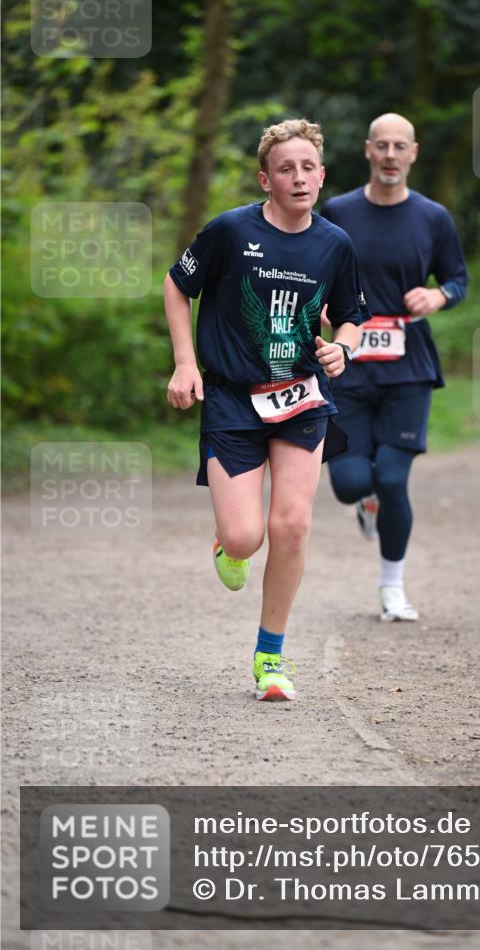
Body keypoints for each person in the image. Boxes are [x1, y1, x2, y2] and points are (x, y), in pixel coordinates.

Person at [164, 119, 367, 701]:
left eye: (308, 168)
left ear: (323, 176)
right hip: (231, 396)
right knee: (248, 535)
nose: (298, 178)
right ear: (266, 178)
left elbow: (351, 312)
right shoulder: (230, 230)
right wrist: (185, 363)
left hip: (301, 398)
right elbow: (178, 287)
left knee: (293, 525)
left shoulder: (335, 243)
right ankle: (229, 545)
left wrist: (343, 348)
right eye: (286, 169)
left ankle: (270, 658)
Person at [320, 112, 468, 622]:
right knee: (349, 482)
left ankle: (392, 587)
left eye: (398, 146)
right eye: (381, 145)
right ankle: (364, 506)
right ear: (367, 150)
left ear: (413, 153)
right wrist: (319, 307)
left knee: (392, 478)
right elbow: (314, 269)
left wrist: (437, 295)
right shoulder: (337, 211)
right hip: (348, 365)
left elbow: (457, 279)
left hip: (408, 369)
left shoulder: (433, 217)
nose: (389, 155)